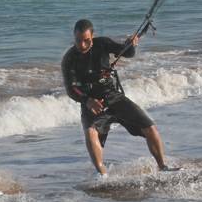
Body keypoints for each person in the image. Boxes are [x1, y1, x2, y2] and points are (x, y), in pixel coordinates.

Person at [62, 19, 179, 176]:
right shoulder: (69, 58)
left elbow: (127, 52)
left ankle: (163, 166)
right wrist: (87, 101)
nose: (82, 45)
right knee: (90, 132)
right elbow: (71, 89)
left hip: (113, 96)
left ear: (93, 36)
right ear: (74, 36)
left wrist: (131, 44)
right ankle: (103, 175)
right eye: (78, 40)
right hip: (91, 102)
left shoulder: (102, 43)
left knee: (150, 127)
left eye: (86, 40)